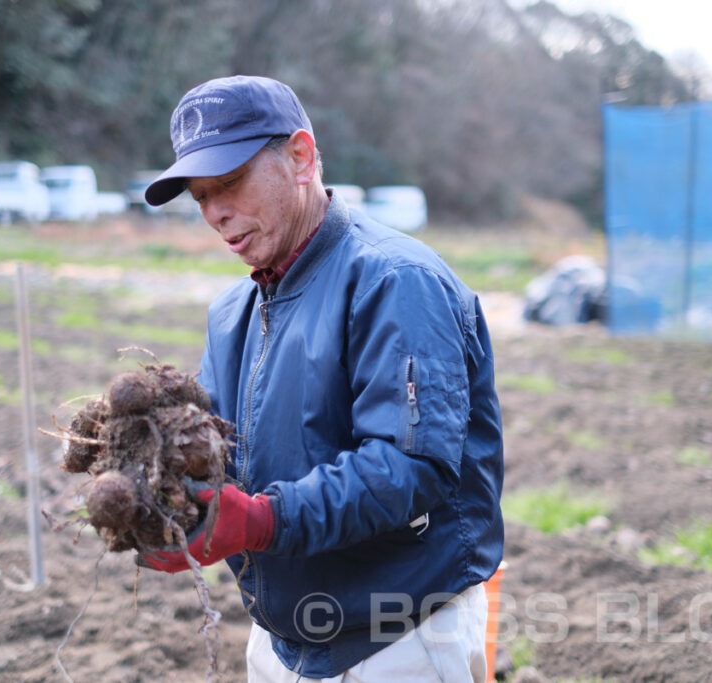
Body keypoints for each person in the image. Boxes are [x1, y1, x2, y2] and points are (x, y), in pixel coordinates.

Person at [141, 75, 504, 682]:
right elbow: (215, 457)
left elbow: (410, 467)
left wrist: (260, 520)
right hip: (279, 641)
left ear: (301, 157)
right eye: (200, 195)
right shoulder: (232, 314)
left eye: (229, 182)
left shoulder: (395, 281)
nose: (215, 213)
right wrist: (168, 507)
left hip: (400, 641)